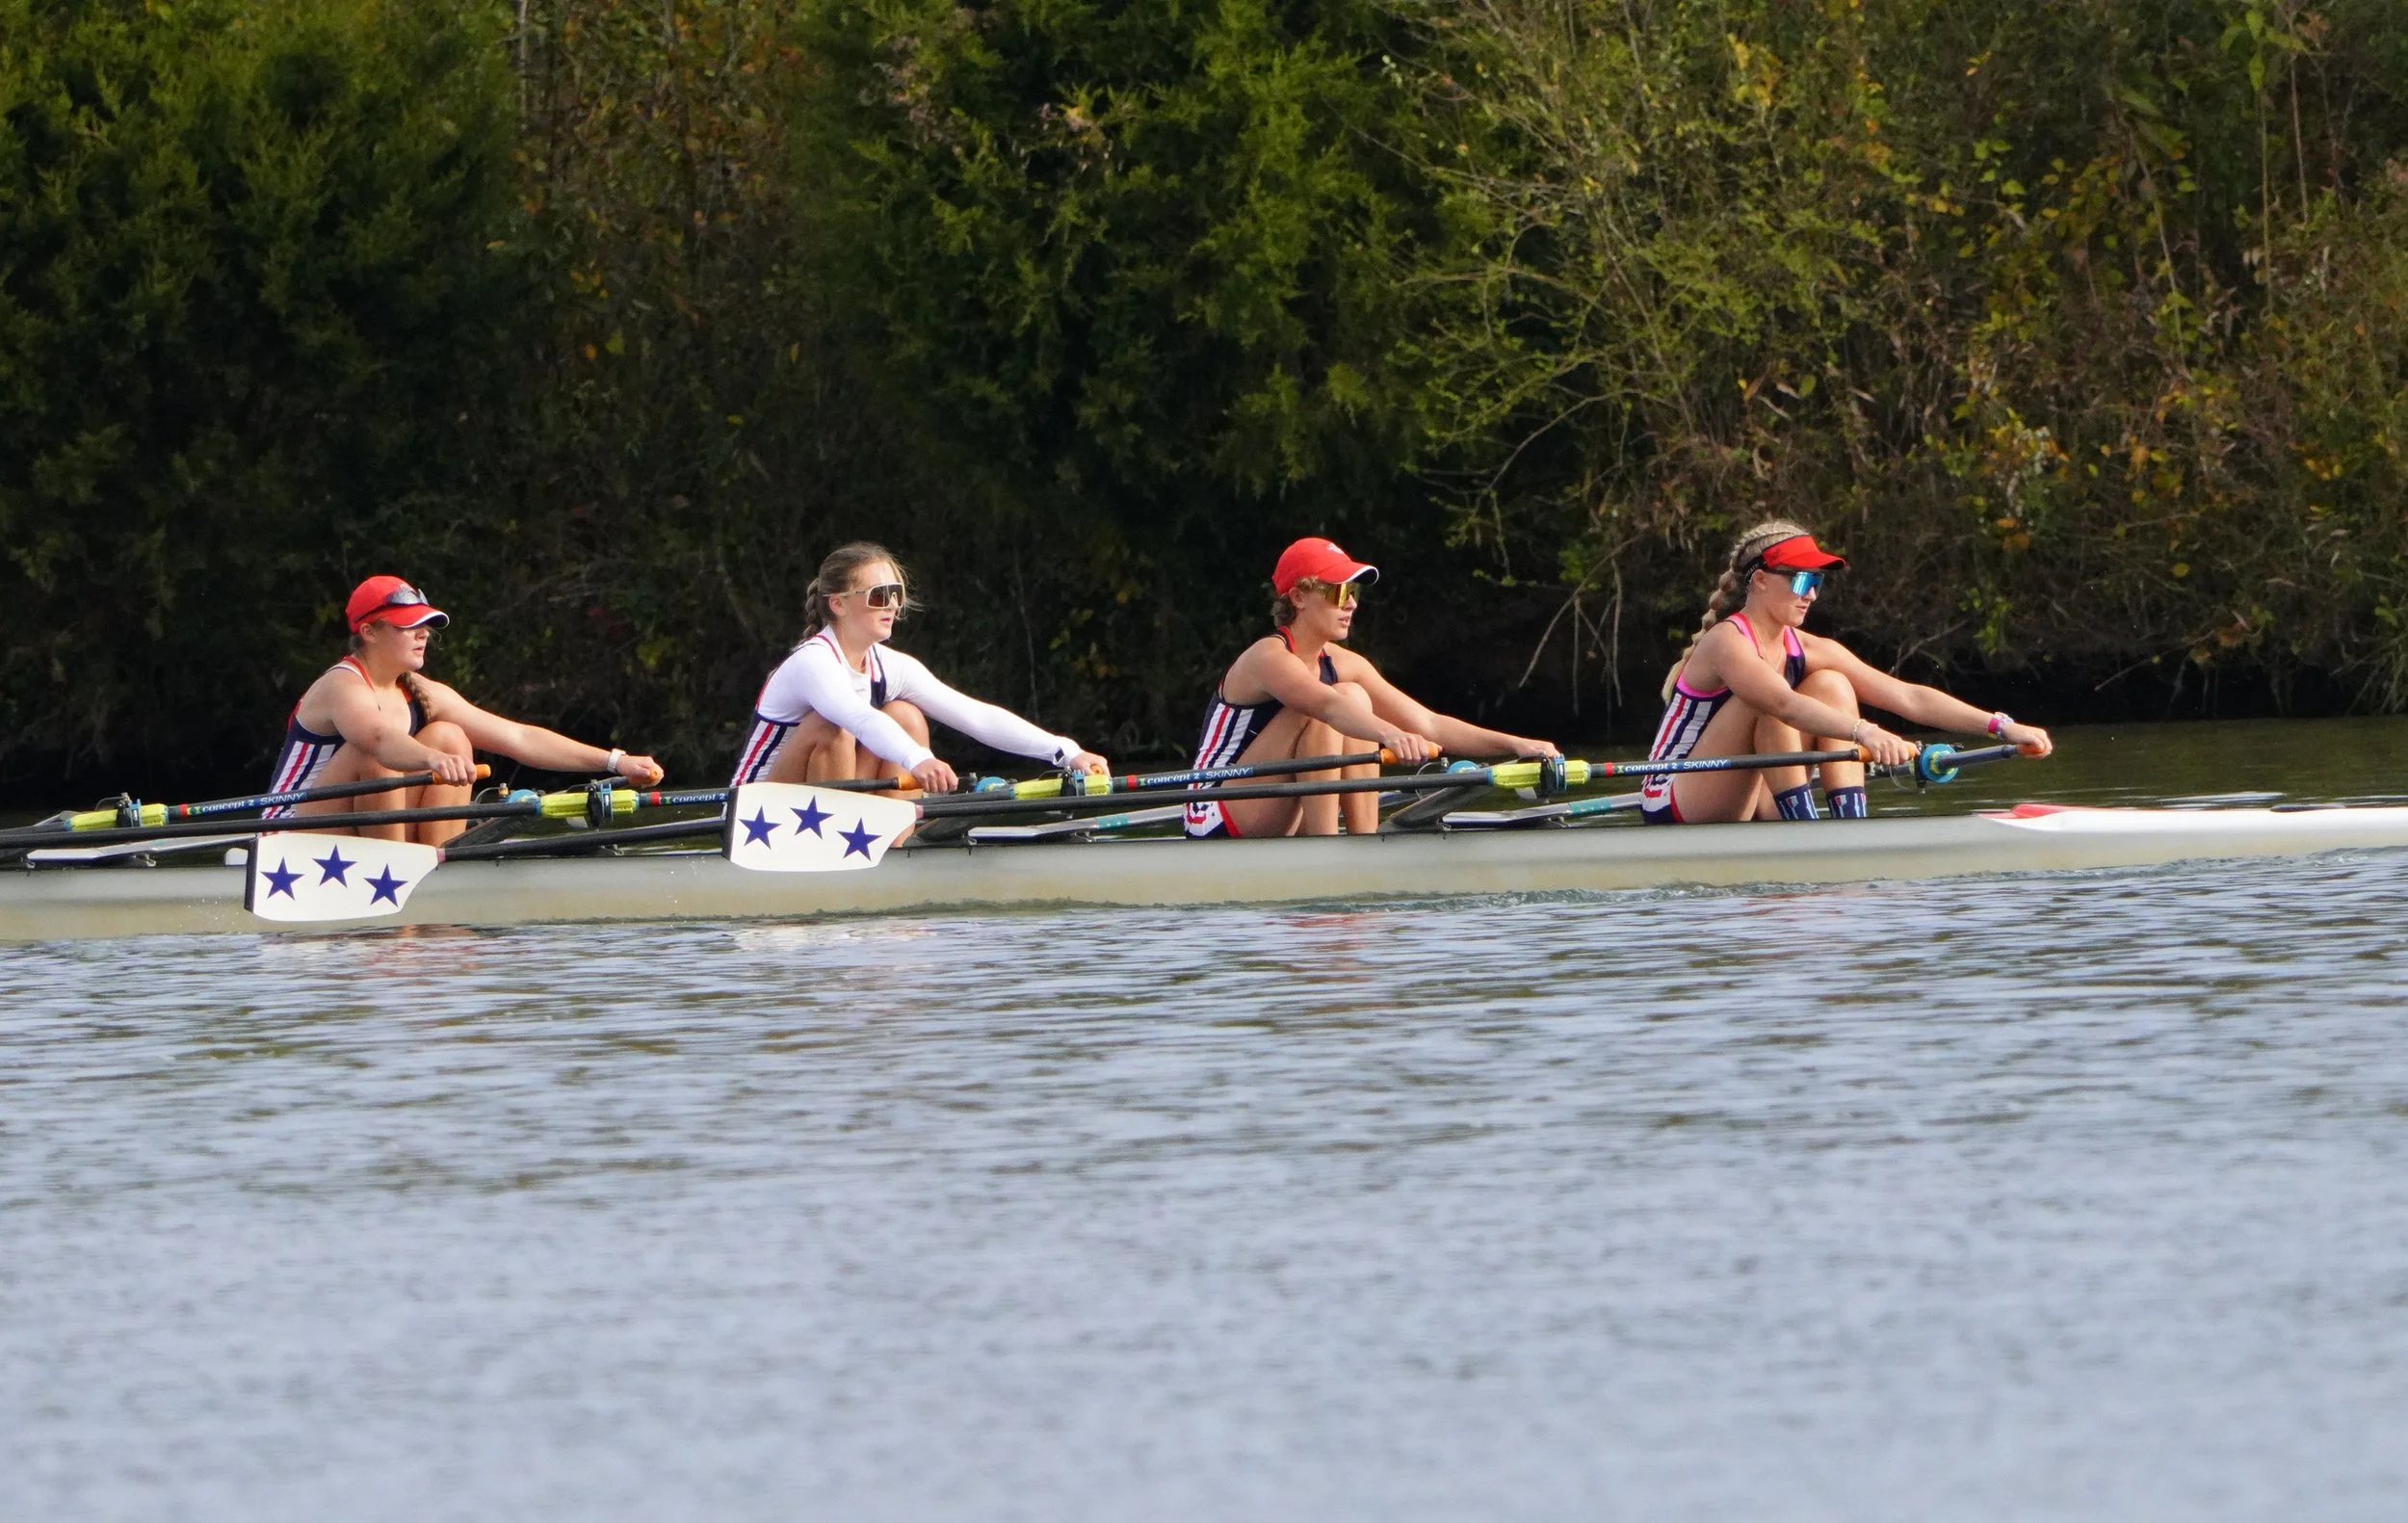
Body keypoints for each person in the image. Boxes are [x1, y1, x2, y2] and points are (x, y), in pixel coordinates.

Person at [1642, 521, 2053, 824]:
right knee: (1769, 702)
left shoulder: (1810, 648)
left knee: (1832, 683)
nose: (1811, 594)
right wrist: (1866, 732)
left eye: (1817, 581)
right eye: (1801, 579)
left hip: (1749, 786)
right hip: (1676, 792)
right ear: (1761, 580)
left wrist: (2002, 727)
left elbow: (1908, 697)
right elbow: (1784, 704)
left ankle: (1848, 824)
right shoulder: (1727, 642)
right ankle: (1806, 831)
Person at [1185, 537, 1561, 838]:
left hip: (1275, 804)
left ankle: (1364, 842)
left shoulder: (1344, 663)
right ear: (1298, 597)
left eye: (1353, 593)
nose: (1350, 604)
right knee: (1342, 700)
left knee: (1354, 696)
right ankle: (1326, 849)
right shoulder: (1268, 656)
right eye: (1337, 593)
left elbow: (1429, 724)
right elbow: (1328, 707)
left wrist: (1517, 744)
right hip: (1214, 807)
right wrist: (1391, 735)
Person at [267, 576, 666, 845]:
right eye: (407, 625)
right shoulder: (342, 685)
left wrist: (615, 762)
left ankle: (438, 862)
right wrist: (430, 759)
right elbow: (379, 738)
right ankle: (395, 869)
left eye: (425, 624)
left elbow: (519, 737)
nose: (423, 634)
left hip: (355, 832)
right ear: (368, 632)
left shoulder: (420, 691)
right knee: (378, 755)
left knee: (451, 736)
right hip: (287, 835)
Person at [734, 543, 1110, 794]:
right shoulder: (812, 662)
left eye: (896, 594)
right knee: (833, 728)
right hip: (756, 816)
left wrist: (1066, 752)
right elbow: (859, 718)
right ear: (838, 604)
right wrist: (919, 759)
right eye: (879, 595)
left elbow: (975, 716)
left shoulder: (892, 667)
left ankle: (895, 843)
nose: (892, 605)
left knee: (906, 717)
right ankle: (834, 848)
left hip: (824, 805)